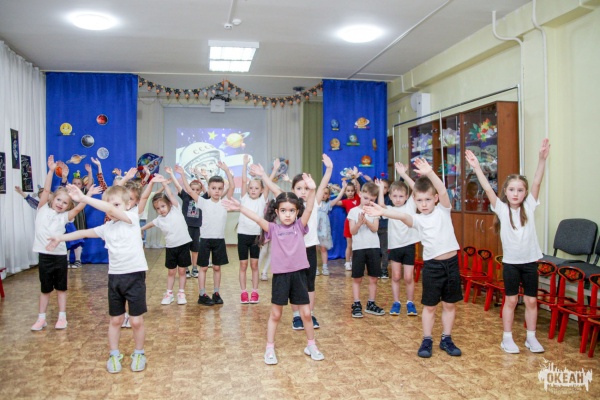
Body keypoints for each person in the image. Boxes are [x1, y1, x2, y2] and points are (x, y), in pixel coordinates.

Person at [221, 174, 325, 365]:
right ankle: (269, 348)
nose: (287, 214)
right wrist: (240, 208)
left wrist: (312, 189)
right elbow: (256, 217)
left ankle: (311, 345)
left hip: (299, 276)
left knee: (306, 314)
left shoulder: (300, 226)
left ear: (297, 212)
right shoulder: (273, 229)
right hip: (281, 278)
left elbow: (310, 207)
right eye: (283, 210)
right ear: (276, 212)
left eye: (291, 211)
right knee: (276, 314)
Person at [364, 158, 462, 358]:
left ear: (435, 199)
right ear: (414, 201)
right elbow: (402, 216)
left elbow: (443, 190)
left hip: (451, 264)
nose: (424, 204)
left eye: (428, 200)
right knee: (430, 306)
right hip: (433, 266)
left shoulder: (443, 210)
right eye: (419, 201)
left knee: (449, 305)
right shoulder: (417, 219)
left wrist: (430, 173)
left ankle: (446, 338)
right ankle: (427, 339)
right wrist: (383, 211)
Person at [46, 184, 149, 373]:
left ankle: (139, 353)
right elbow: (84, 233)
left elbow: (111, 210)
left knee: (136, 321)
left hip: (134, 276)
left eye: (117, 205)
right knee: (116, 320)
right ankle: (114, 354)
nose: (111, 209)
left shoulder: (132, 218)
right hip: (115, 278)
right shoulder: (106, 228)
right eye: (109, 206)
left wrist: (84, 198)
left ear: (128, 205)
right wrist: (60, 238)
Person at [465, 138, 550, 354]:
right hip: (511, 264)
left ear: (525, 193)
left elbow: (537, 182)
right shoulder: (501, 209)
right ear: (505, 191)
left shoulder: (529, 206)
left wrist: (542, 159)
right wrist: (476, 167)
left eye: (520, 190)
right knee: (511, 300)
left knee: (531, 301)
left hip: (530, 262)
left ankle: (531, 337)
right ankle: (507, 338)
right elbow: (487, 187)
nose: (515, 193)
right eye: (511, 189)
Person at [251, 154, 333, 330]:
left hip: (309, 250)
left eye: (306, 188)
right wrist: (263, 174)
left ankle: (309, 314)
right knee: (295, 286)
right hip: (292, 253)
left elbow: (323, 185)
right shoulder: (290, 204)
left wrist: (329, 169)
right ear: (293, 190)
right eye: (299, 188)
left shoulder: (314, 202)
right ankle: (296, 316)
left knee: (309, 284)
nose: (303, 191)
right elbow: (274, 188)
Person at [30, 156, 99, 331]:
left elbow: (78, 208)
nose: (61, 204)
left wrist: (88, 196)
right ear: (52, 199)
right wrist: (51, 170)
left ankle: (62, 317)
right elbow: (47, 189)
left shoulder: (64, 217)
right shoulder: (42, 209)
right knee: (45, 289)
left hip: (59, 256)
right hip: (44, 256)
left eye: (65, 202)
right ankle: (41, 318)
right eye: (59, 200)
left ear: (68, 206)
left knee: (61, 288)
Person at [181, 161, 234, 306]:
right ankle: (202, 294)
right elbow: (189, 190)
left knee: (217, 267)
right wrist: (182, 175)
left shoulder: (225, 202)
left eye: (220, 188)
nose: (217, 191)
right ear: (208, 189)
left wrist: (226, 170)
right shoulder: (203, 202)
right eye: (214, 188)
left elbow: (232, 186)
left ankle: (216, 293)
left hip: (219, 240)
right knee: (203, 268)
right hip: (205, 239)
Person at [373, 163, 420, 316]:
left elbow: (417, 189)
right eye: (395, 196)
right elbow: (381, 205)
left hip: (409, 246)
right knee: (396, 276)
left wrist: (404, 174)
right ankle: (396, 302)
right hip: (395, 247)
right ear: (390, 197)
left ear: (407, 197)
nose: (398, 199)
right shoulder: (390, 209)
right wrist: (381, 189)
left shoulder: (411, 206)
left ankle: (410, 302)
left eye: (401, 196)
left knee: (408, 277)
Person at [141, 172, 192, 305]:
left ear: (169, 204)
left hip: (183, 245)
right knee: (171, 271)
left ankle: (181, 293)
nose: (161, 210)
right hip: (171, 248)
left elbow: (170, 194)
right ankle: (169, 293)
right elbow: (150, 224)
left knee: (182, 271)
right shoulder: (159, 219)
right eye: (158, 208)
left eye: (163, 206)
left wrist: (163, 182)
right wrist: (140, 229)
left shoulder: (176, 209)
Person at [236, 154, 272, 304]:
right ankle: (244, 292)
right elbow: (244, 180)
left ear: (261, 190)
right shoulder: (244, 198)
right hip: (243, 235)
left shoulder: (262, 200)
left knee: (254, 265)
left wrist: (274, 170)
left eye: (256, 188)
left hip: (256, 236)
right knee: (243, 265)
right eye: (251, 188)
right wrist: (245, 164)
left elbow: (269, 185)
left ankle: (255, 292)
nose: (253, 190)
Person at [347, 182, 385, 318]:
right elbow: (352, 231)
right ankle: (357, 303)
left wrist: (366, 221)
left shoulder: (375, 211)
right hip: (359, 249)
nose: (368, 202)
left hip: (373, 248)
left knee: (374, 277)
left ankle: (371, 303)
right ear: (360, 194)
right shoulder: (353, 211)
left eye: (372, 199)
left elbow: (375, 228)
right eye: (366, 198)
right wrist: (359, 222)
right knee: (357, 278)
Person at [170, 165, 204, 279]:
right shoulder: (185, 196)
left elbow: (207, 190)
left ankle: (194, 267)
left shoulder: (202, 199)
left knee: (195, 249)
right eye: (192, 189)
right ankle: (186, 268)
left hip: (196, 228)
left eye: (197, 190)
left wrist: (199, 176)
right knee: (185, 249)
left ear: (200, 191)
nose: (195, 191)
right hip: (185, 227)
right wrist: (172, 174)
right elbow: (178, 186)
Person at [330, 177, 361, 271]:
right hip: (349, 224)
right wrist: (340, 189)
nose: (350, 192)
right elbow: (334, 202)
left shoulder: (358, 197)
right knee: (349, 245)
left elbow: (358, 186)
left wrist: (355, 176)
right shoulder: (345, 201)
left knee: (357, 245)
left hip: (359, 224)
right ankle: (347, 262)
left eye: (352, 191)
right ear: (345, 192)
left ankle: (353, 261)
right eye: (348, 191)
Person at [316, 185, 334, 276]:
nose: (323, 195)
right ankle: (314, 268)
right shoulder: (314, 203)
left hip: (324, 230)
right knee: (314, 249)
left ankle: (325, 267)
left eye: (326, 193)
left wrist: (343, 189)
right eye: (322, 193)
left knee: (323, 248)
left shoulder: (328, 204)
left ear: (328, 196)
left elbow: (338, 198)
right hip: (315, 229)